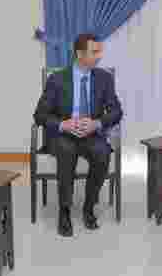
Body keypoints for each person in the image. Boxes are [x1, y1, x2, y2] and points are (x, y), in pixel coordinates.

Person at [33, 33, 123, 237]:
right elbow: (40, 115)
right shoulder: (57, 79)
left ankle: (88, 207)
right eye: (94, 52)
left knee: (102, 153)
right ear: (79, 54)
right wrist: (63, 125)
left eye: (99, 51)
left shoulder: (104, 79)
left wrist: (97, 123)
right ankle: (64, 211)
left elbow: (117, 111)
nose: (99, 56)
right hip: (64, 135)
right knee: (66, 150)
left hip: (91, 134)